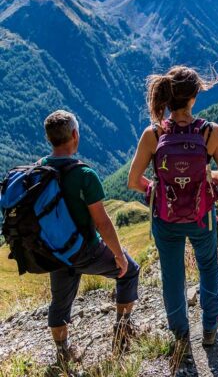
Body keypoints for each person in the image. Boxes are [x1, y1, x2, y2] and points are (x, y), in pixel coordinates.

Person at [127, 66, 218, 362]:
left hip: (166, 218)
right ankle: (210, 329)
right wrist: (203, 177)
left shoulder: (154, 133)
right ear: (194, 96)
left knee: (172, 276)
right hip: (202, 217)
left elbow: (134, 181)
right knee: (208, 266)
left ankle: (181, 335)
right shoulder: (210, 132)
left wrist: (157, 188)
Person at [40, 110, 140, 366]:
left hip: (56, 250)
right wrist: (119, 256)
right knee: (129, 272)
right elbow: (103, 222)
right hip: (86, 249)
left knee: (59, 302)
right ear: (75, 135)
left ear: (49, 139)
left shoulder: (40, 170)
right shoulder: (84, 175)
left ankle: (63, 353)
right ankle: (122, 331)